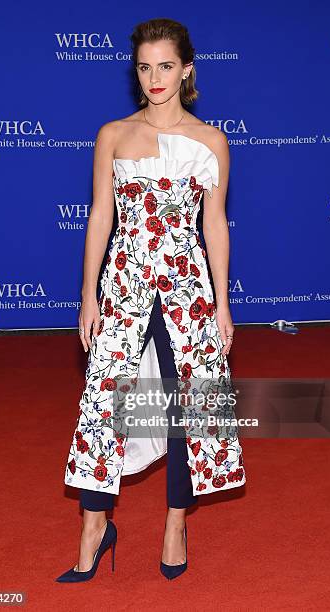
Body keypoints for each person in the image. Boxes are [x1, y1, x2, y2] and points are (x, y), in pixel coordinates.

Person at [56, 17, 245, 584]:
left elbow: (214, 225)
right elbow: (99, 217)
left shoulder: (211, 141)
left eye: (166, 65)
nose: (155, 77)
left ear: (187, 69)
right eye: (145, 66)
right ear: (135, 72)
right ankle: (94, 526)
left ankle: (175, 522)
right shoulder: (113, 134)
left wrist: (222, 303)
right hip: (125, 282)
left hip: (188, 289)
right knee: (104, 403)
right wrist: (87, 296)